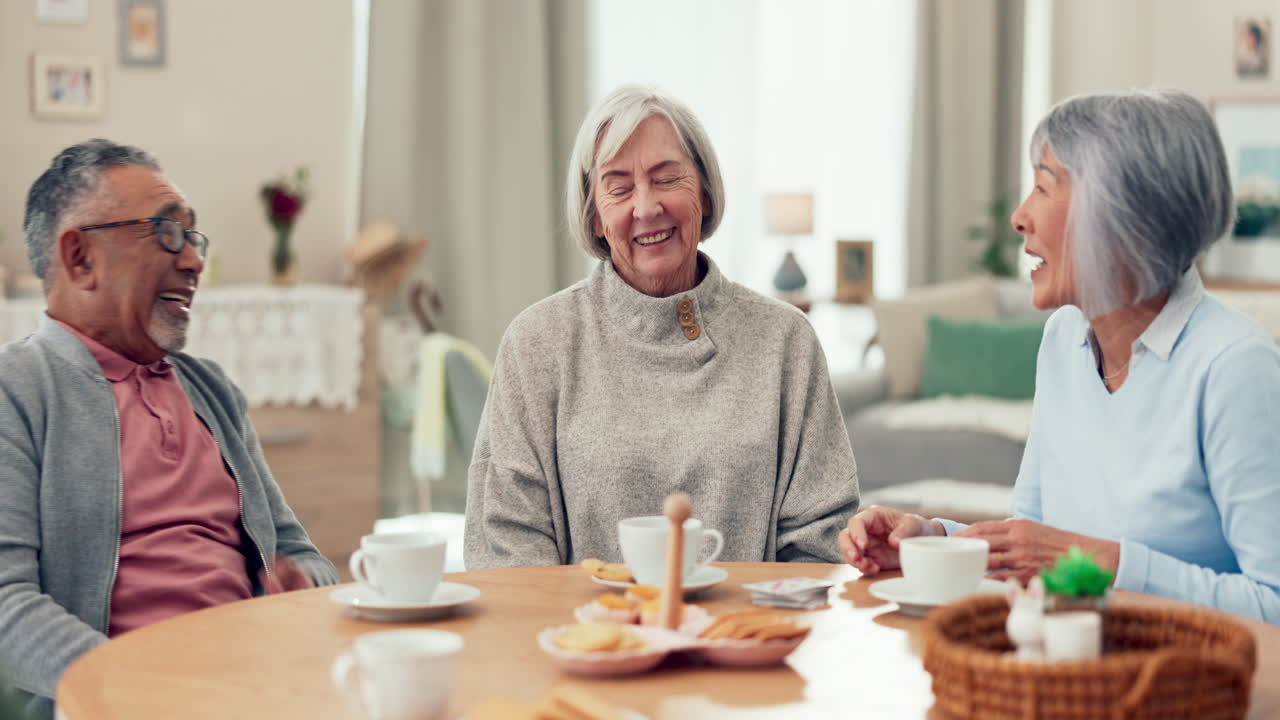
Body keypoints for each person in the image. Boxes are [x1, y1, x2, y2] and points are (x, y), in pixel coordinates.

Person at [841, 89, 1280, 624]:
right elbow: (1033, 543)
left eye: (1044, 187)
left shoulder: (1234, 367)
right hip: (1072, 677)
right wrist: (931, 539)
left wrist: (1104, 563)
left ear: (1120, 216)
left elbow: (1273, 603)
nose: (1020, 217)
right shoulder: (1064, 338)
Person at [0, 140, 338, 718]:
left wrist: (301, 580)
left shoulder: (210, 390)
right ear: (80, 258)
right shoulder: (18, 388)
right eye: (166, 232)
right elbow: (7, 607)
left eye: (193, 236)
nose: (194, 261)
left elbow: (300, 552)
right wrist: (140, 686)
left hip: (256, 686)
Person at [464, 85, 859, 568]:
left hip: (748, 637)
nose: (646, 207)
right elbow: (507, 547)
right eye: (619, 186)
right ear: (593, 217)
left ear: (707, 194)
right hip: (579, 638)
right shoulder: (537, 343)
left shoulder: (786, 341)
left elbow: (821, 545)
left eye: (667, 178)